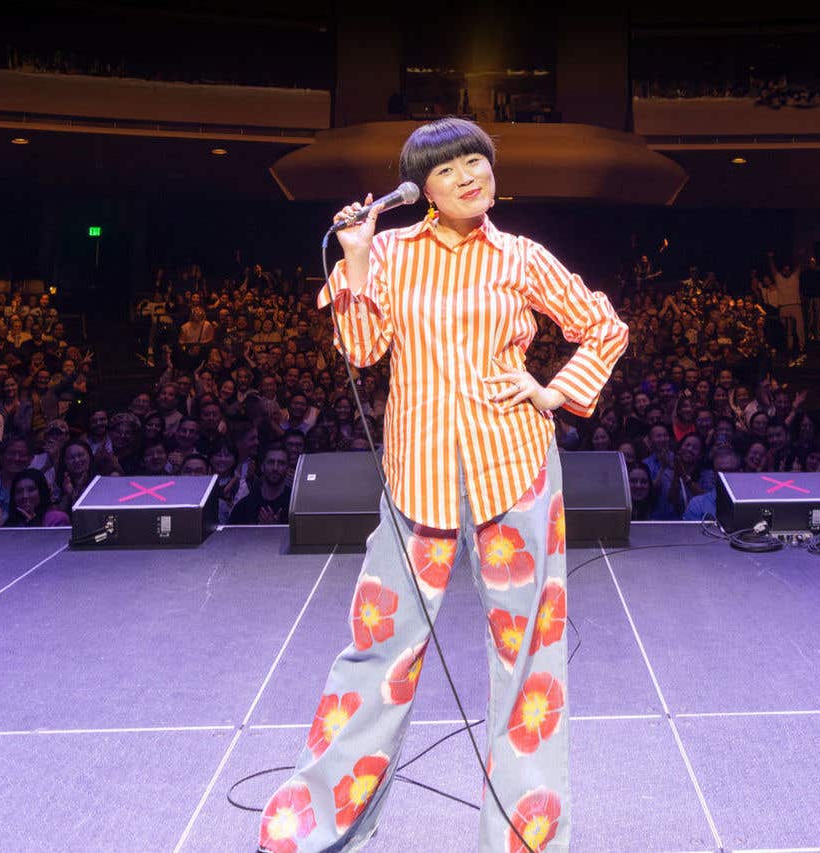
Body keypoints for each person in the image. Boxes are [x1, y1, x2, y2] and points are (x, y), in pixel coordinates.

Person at [260, 118, 626, 853]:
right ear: (419, 187)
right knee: (377, 648)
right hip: (416, 477)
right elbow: (360, 351)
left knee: (531, 658)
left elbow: (604, 326)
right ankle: (317, 826)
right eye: (450, 167)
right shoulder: (388, 250)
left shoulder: (521, 255)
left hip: (516, 469)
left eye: (477, 161)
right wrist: (358, 260)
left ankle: (527, 839)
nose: (469, 175)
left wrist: (555, 392)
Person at [3, 469, 69, 527]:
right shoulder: (10, 523)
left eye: (31, 490)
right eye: (19, 491)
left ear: (41, 492)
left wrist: (33, 523)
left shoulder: (57, 518)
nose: (24, 496)